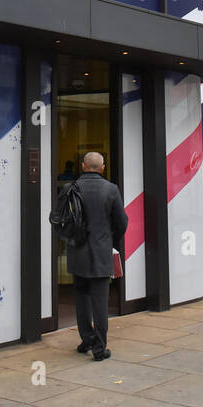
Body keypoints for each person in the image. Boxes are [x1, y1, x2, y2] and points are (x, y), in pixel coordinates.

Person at [64, 152, 127, 361]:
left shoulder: (70, 189)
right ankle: (100, 348)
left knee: (81, 300)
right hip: (100, 252)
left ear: (82, 166)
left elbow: (61, 220)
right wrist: (111, 241)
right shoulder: (111, 189)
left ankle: (86, 339)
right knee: (100, 302)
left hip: (77, 252)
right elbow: (122, 222)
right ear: (103, 167)